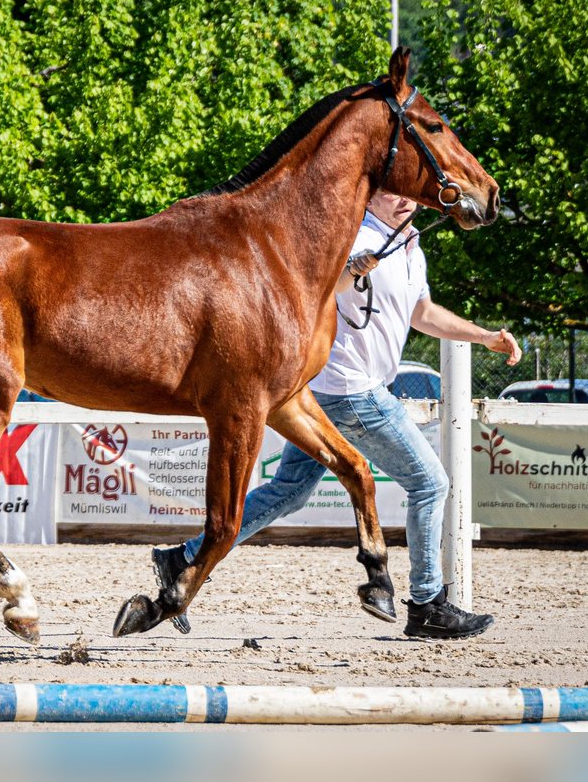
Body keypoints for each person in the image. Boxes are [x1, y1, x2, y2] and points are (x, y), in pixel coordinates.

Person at [153, 189, 522, 640]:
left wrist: (483, 336)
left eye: (408, 195)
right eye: (392, 193)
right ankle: (427, 604)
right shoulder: (354, 235)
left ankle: (183, 559)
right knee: (430, 483)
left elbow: (422, 313)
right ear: (370, 199)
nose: (404, 201)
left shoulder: (409, 244)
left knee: (288, 493)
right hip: (351, 392)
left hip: (321, 393)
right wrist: (353, 267)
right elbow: (322, 286)